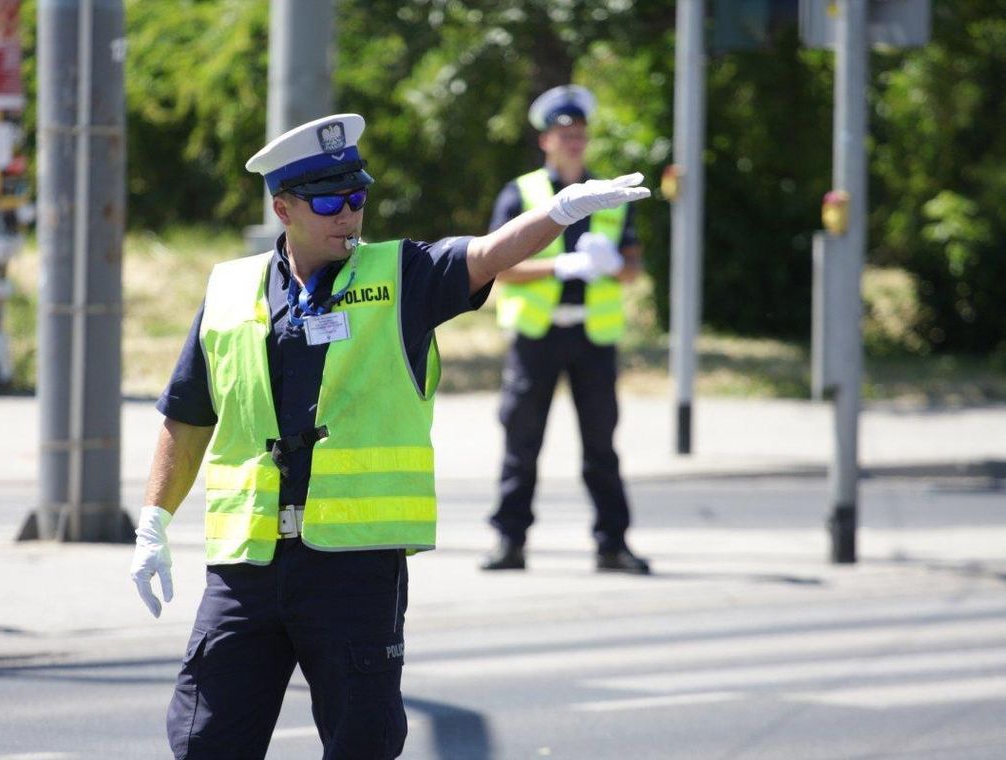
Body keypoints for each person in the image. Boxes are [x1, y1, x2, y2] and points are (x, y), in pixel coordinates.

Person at [129, 112, 650, 759]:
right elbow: (187, 416)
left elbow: (487, 252)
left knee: (363, 745)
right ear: (283, 208)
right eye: (329, 202)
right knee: (206, 741)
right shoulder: (230, 290)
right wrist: (153, 522)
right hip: (246, 568)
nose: (349, 214)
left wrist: (561, 212)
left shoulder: (402, 274)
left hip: (352, 566)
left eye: (357, 197)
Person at [480, 85, 652, 575]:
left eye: (580, 134)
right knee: (522, 442)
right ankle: (509, 542)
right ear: (545, 141)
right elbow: (497, 266)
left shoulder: (610, 194)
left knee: (601, 445)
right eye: (564, 134)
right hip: (537, 335)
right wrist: (560, 267)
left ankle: (612, 545)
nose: (574, 142)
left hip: (592, 337)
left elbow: (632, 268)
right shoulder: (522, 193)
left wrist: (614, 264)